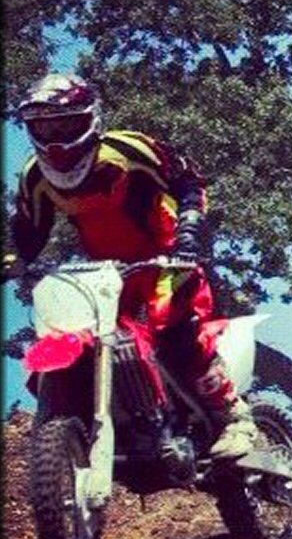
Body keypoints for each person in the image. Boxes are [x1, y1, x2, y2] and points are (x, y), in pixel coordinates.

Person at [2, 73, 257, 459]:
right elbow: (29, 230)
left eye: (65, 123)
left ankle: (233, 417)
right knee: (78, 334)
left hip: (167, 255)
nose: (55, 137)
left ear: (89, 119)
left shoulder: (127, 150)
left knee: (171, 326)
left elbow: (188, 179)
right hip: (107, 271)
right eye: (43, 126)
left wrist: (189, 230)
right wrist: (13, 260)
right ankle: (114, 425)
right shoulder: (35, 175)